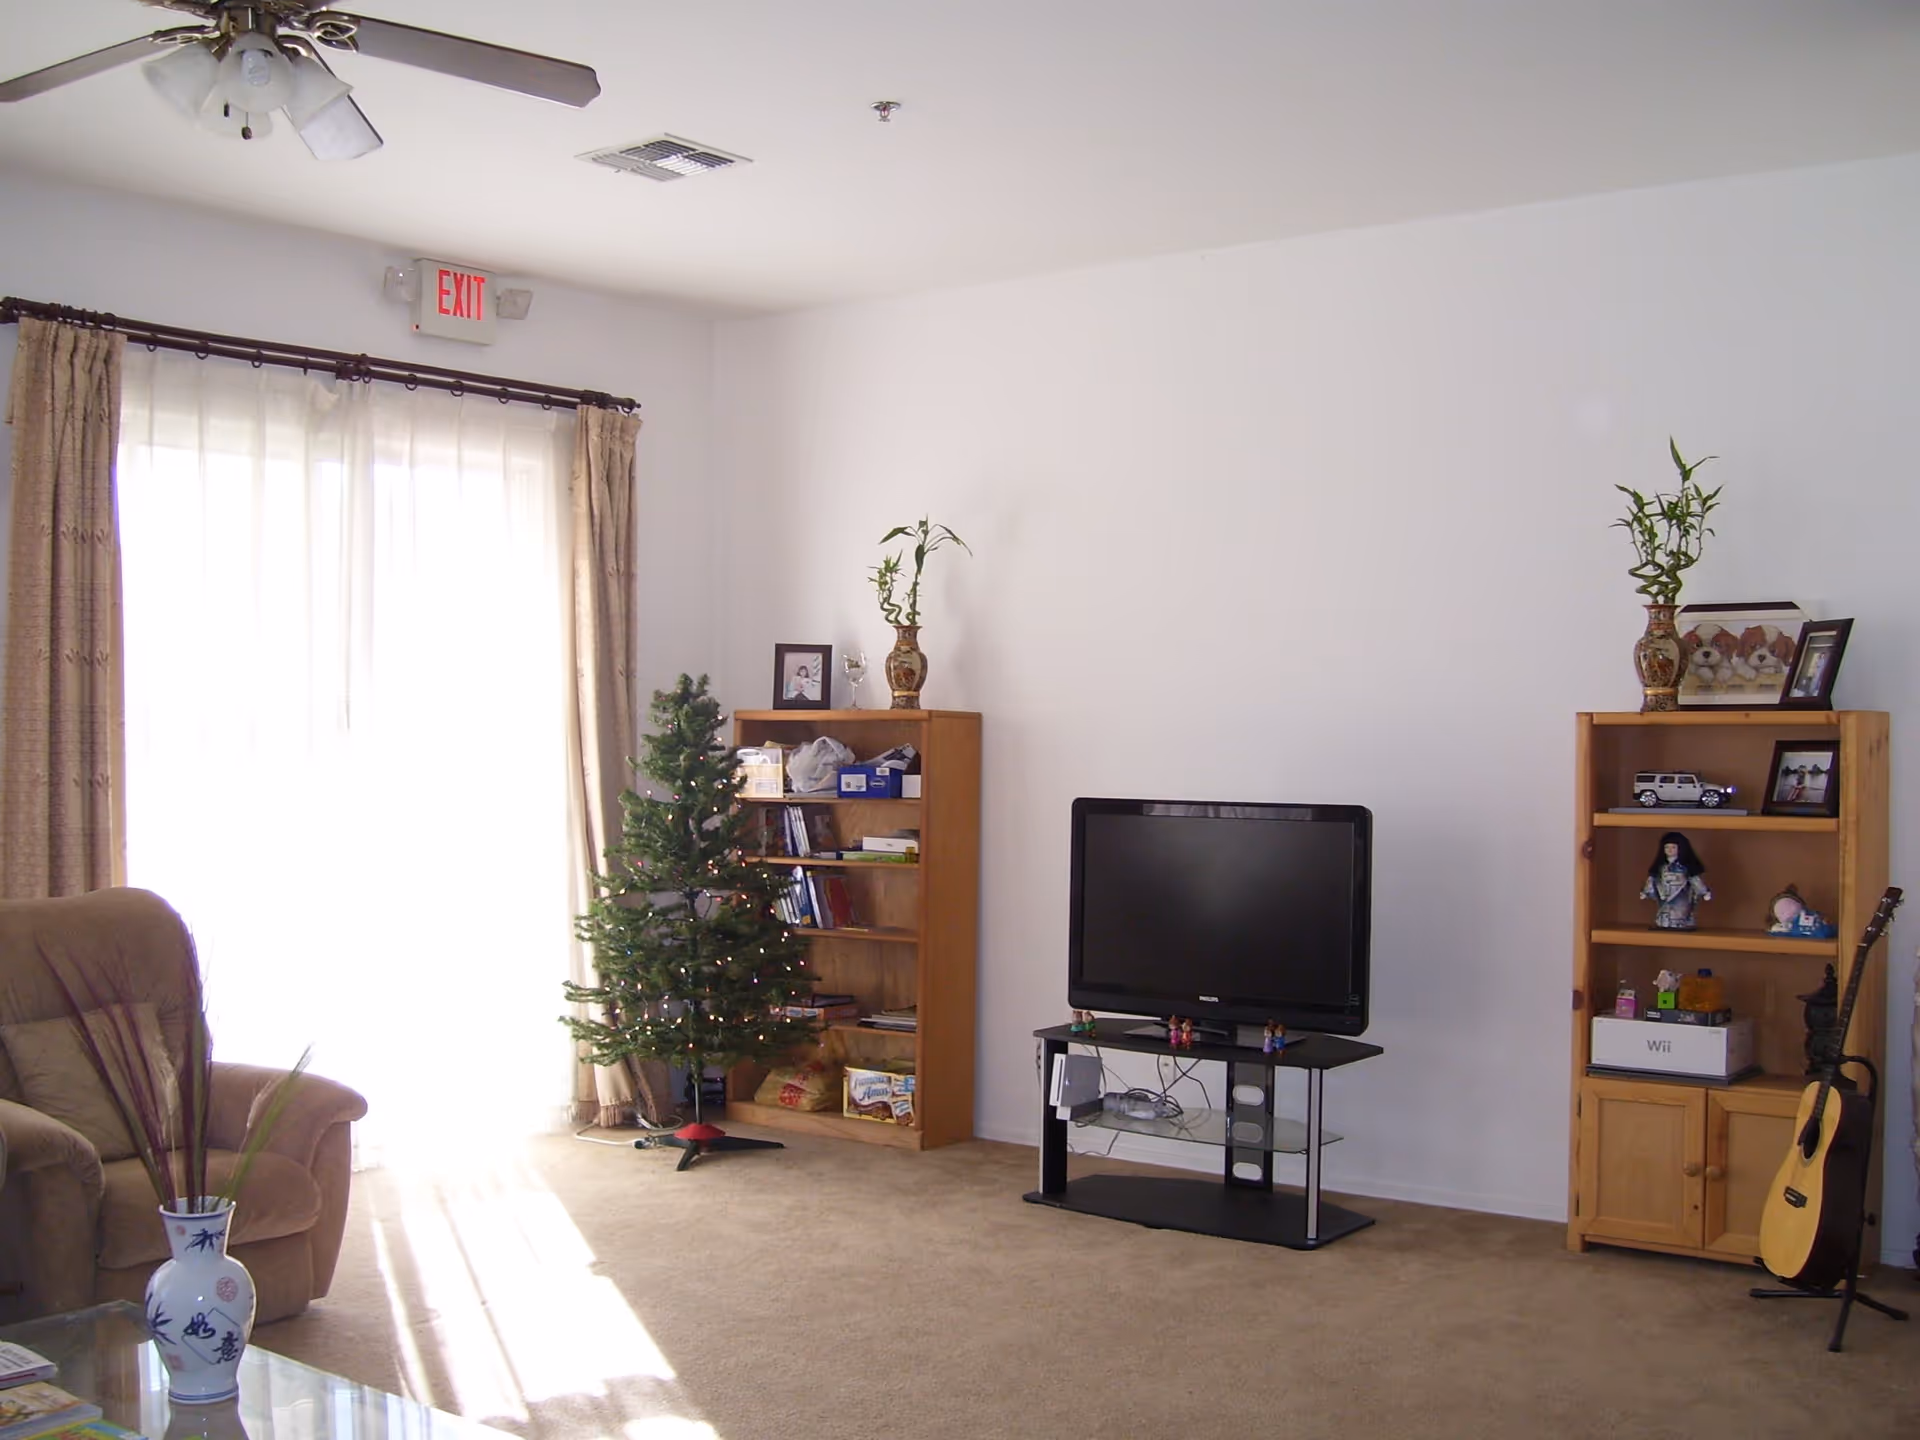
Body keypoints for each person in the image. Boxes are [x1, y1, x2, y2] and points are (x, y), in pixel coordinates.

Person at [1641, 831, 1711, 930]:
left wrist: (1704, 892)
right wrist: (1646, 891)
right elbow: (1652, 879)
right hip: (1664, 894)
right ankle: (1664, 924)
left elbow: (1695, 880)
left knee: (1680, 911)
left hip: (1681, 893)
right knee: (1664, 912)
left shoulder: (1685, 868)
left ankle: (1681, 924)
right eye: (1667, 847)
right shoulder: (1661, 868)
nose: (1669, 850)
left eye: (1673, 847)